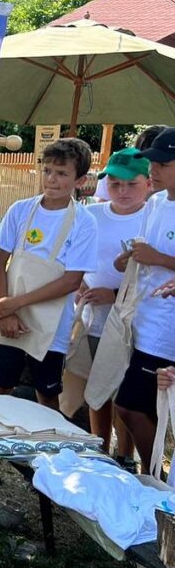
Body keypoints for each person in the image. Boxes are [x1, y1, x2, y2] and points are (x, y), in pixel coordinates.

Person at [0, 138, 98, 411]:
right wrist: (6, 312)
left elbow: (71, 281)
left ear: (80, 180)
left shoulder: (84, 222)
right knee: (0, 388)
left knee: (47, 396)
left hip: (53, 325)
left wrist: (14, 303)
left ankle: (46, 441)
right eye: (47, 170)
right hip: (9, 315)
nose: (51, 179)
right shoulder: (20, 210)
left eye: (62, 173)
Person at [77, 148, 150, 467]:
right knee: (98, 385)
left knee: (125, 391)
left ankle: (125, 455)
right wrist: (79, 282)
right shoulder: (91, 215)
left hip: (135, 321)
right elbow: (73, 256)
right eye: (115, 183)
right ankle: (99, 451)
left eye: (131, 184)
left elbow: (155, 276)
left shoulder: (154, 217)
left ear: (148, 183)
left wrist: (115, 293)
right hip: (94, 316)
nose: (122, 191)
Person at [113, 127, 175, 475]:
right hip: (142, 319)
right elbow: (146, 250)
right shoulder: (155, 203)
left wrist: (158, 258)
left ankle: (155, 478)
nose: (154, 170)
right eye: (153, 162)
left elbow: (157, 255)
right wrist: (131, 259)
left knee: (130, 407)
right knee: (138, 407)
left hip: (167, 330)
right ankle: (154, 477)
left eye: (163, 164)